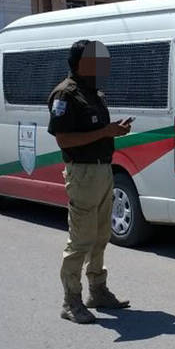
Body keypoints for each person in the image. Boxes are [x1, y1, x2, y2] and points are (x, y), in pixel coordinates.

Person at [47, 40, 132, 324]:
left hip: (102, 171)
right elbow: (63, 139)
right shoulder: (66, 94)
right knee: (81, 239)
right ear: (81, 63)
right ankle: (71, 301)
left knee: (100, 235)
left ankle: (98, 290)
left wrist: (113, 131)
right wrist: (105, 132)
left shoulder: (92, 92)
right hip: (82, 173)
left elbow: (97, 129)